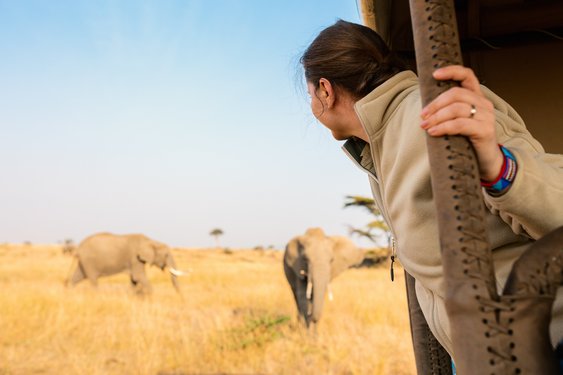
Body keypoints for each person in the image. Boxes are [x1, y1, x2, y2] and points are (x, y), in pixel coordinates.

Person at [300, 19, 563, 362]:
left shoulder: (432, 112)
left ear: (325, 89)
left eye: (309, 95)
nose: (311, 104)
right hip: (492, 352)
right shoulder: (378, 144)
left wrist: (501, 168)